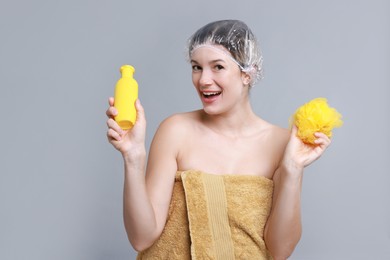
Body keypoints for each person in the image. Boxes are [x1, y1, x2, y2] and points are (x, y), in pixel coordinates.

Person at [106, 20, 331, 260]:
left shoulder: (282, 144)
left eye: (218, 67)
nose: (203, 80)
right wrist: (133, 158)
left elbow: (280, 250)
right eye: (196, 67)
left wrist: (293, 169)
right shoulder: (175, 131)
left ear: (247, 73)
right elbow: (142, 237)